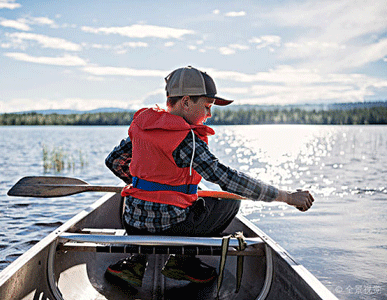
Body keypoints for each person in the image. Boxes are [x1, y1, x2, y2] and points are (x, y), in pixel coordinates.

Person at [104, 66, 314, 287]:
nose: (209, 115)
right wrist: (287, 196)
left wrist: (151, 187)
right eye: (206, 106)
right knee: (230, 202)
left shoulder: (143, 128)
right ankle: (183, 262)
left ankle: (136, 262)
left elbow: (114, 161)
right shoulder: (187, 141)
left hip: (133, 222)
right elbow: (228, 179)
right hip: (171, 226)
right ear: (186, 102)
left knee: (132, 200)